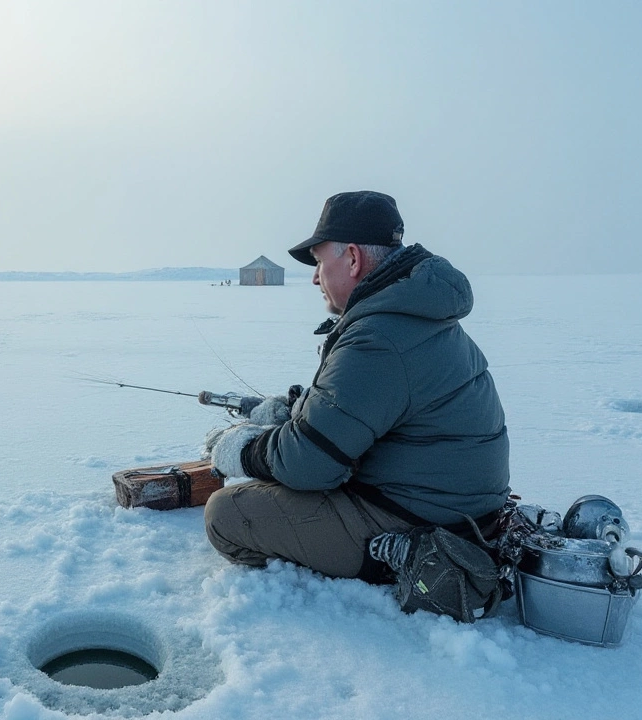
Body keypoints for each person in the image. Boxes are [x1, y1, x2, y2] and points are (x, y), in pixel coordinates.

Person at [203, 190, 510, 582]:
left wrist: (244, 451)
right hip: (462, 509)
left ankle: (383, 569)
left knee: (227, 514)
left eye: (318, 262)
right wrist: (293, 410)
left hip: (426, 524)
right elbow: (364, 406)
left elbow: (309, 465)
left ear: (352, 258)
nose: (314, 277)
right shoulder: (413, 312)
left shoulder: (378, 337)